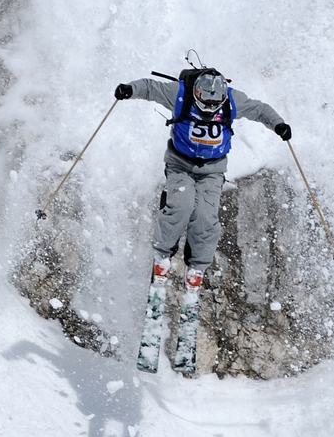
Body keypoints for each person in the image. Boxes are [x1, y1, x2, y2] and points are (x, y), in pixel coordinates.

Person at [114, 68, 289, 291]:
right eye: (204, 103)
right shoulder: (180, 94)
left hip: (212, 170)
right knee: (181, 205)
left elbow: (259, 110)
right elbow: (150, 88)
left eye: (213, 104)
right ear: (196, 93)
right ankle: (162, 256)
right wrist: (130, 89)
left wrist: (278, 124)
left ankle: (196, 267)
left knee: (206, 217)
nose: (208, 108)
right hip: (180, 165)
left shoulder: (232, 100)